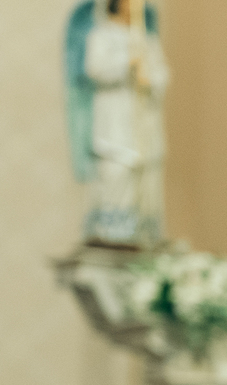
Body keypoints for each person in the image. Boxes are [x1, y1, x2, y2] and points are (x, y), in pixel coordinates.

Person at [65, 0, 168, 247]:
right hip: (115, 125)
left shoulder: (146, 39)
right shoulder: (102, 36)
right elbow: (95, 69)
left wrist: (149, 77)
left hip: (143, 124)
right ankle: (114, 236)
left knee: (146, 183)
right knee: (117, 178)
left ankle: (144, 234)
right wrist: (127, 64)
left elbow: (162, 75)